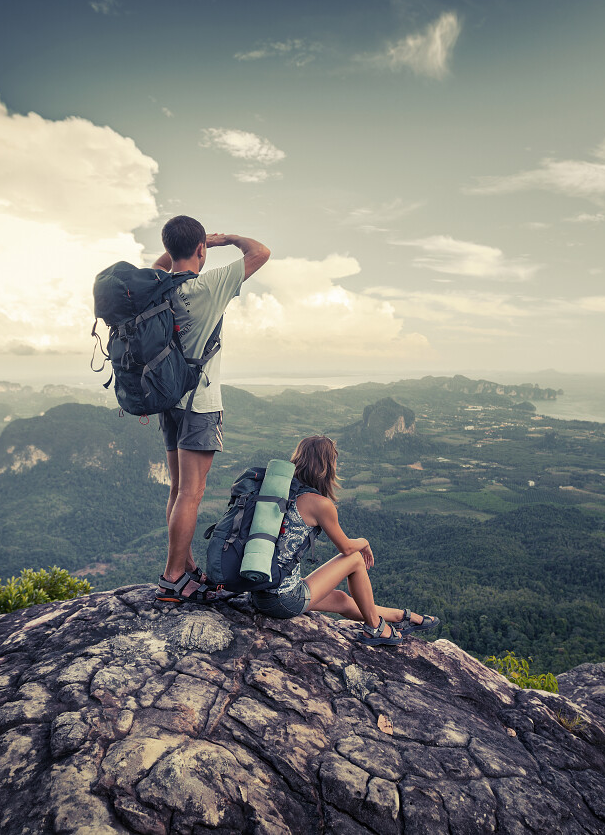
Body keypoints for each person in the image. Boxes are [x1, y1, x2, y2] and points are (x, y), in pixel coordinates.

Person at [153, 215, 271, 603]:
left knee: (178, 488)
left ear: (170, 249)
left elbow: (159, 265)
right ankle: (173, 577)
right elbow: (261, 252)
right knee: (193, 492)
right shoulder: (209, 284)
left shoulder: (157, 284)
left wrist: (180, 250)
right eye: (203, 247)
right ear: (201, 249)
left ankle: (182, 567)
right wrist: (226, 239)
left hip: (168, 400)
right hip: (199, 404)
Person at [250, 435, 440, 645]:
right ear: (327, 466)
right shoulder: (319, 504)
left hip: (260, 593)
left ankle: (402, 617)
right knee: (356, 559)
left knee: (341, 599)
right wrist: (364, 541)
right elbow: (347, 547)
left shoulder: (278, 492)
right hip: (282, 600)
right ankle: (376, 628)